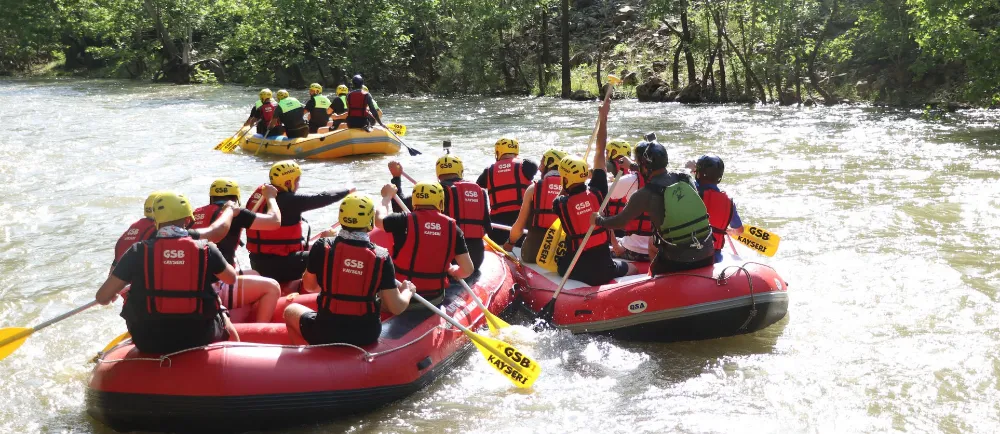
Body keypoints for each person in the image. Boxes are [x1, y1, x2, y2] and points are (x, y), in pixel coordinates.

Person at [96, 192, 240, 354]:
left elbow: (102, 298)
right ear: (187, 220)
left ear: (156, 222)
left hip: (147, 339)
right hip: (199, 336)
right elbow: (231, 278)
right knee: (222, 313)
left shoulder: (136, 251)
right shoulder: (206, 248)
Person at [283, 194, 415, 345]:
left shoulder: (322, 246)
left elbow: (310, 286)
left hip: (325, 330)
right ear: (370, 220)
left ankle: (309, 359)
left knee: (290, 310)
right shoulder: (381, 256)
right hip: (366, 334)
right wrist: (408, 291)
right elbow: (396, 307)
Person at [594, 133, 716, 275]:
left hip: (677, 261)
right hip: (707, 251)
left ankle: (655, 277)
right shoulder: (685, 178)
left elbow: (619, 222)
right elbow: (662, 174)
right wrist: (635, 166)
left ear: (644, 166)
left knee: (652, 244)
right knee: (654, 242)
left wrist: (598, 220)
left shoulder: (645, 194)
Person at [246, 161, 354, 292]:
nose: (298, 185)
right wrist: (347, 189)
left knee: (320, 245)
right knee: (332, 256)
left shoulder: (260, 197)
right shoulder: (287, 200)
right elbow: (321, 198)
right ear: (287, 183)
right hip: (277, 266)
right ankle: (335, 292)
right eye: (297, 181)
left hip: (259, 263)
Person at [191, 179, 282, 322]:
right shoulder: (235, 213)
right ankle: (260, 331)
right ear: (236, 197)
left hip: (196, 282)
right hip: (215, 286)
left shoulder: (195, 214)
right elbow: (274, 221)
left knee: (255, 273)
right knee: (272, 287)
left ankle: (233, 317)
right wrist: (270, 197)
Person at [375, 181, 474, 307]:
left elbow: (378, 220)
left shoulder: (403, 220)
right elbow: (468, 270)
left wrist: (387, 197)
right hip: (434, 298)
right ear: (440, 202)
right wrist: (454, 270)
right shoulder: (454, 229)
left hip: (399, 298)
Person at [387, 156, 491, 269]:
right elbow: (487, 227)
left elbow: (399, 207)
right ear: (460, 171)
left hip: (447, 261)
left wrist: (396, 178)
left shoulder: (436, 191)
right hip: (476, 258)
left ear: (438, 174)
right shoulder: (480, 191)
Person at [113, 191, 234, 272]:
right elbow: (216, 233)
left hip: (135, 298)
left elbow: (113, 273)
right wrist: (229, 210)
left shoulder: (131, 231)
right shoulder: (164, 233)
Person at [504, 148, 566, 263]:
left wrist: (510, 243)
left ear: (550, 162)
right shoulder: (574, 189)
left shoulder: (534, 189)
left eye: (542, 163)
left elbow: (519, 226)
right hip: (563, 255)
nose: (539, 168)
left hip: (533, 255)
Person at [475, 138, 539, 244]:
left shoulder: (488, 171)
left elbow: (477, 188)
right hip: (522, 221)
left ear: (498, 152)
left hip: (498, 224)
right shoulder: (527, 165)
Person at [686, 154, 744, 262]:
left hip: (689, 254)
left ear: (698, 174)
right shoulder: (728, 202)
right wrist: (730, 231)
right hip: (714, 257)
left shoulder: (691, 192)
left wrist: (694, 169)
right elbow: (740, 230)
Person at [603, 140, 653, 262]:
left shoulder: (631, 179)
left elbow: (600, 193)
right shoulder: (667, 179)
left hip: (635, 250)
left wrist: (606, 180)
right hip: (658, 247)